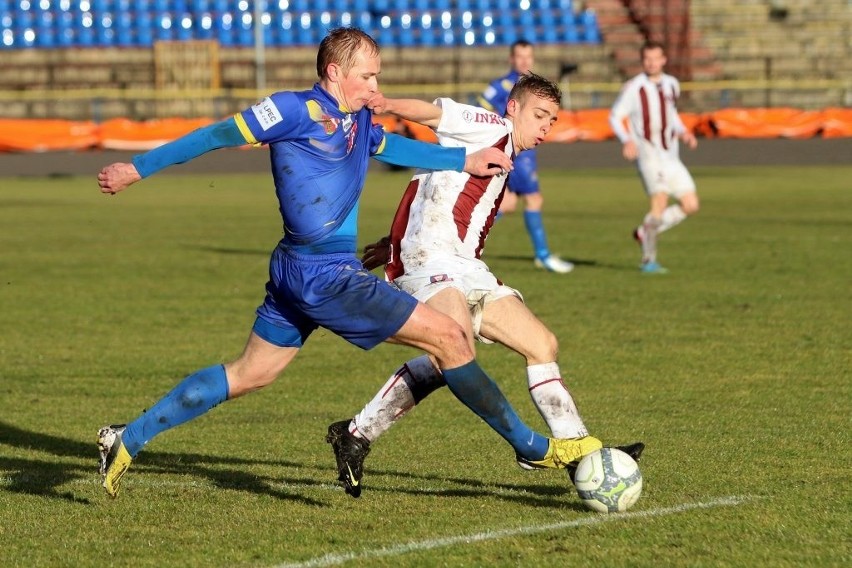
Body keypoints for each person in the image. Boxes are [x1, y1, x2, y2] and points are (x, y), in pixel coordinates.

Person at [94, 28, 600, 499]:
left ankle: (126, 438)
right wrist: (136, 168)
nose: (375, 85)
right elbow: (214, 136)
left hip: (299, 269)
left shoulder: (358, 119)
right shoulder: (291, 110)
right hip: (325, 277)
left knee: (249, 374)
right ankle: (537, 449)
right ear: (335, 72)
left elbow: (390, 145)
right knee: (450, 338)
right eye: (368, 75)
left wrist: (461, 162)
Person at [326, 74, 643, 498]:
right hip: (432, 261)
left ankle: (580, 453)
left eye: (552, 120)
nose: (545, 127)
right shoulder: (489, 125)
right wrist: (385, 103)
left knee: (542, 344)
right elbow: (434, 113)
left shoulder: (506, 151)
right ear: (514, 108)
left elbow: (440, 194)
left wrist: (392, 240)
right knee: (453, 350)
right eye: (539, 115)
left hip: (466, 266)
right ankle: (357, 433)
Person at [477, 39, 574, 274]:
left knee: (507, 203)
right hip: (515, 152)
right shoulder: (502, 85)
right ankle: (543, 256)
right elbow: (481, 107)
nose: (524, 61)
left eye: (528, 57)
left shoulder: (532, 88)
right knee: (533, 199)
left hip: (524, 152)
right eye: (520, 56)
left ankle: (470, 239)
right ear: (512, 59)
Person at [609, 40, 699, 274]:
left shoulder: (672, 84)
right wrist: (626, 139)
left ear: (663, 60)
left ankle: (644, 231)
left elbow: (672, 115)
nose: (651, 63)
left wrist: (684, 132)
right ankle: (648, 260)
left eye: (655, 58)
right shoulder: (634, 88)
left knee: (691, 204)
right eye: (647, 59)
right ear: (642, 61)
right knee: (660, 201)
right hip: (649, 155)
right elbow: (615, 117)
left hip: (671, 155)